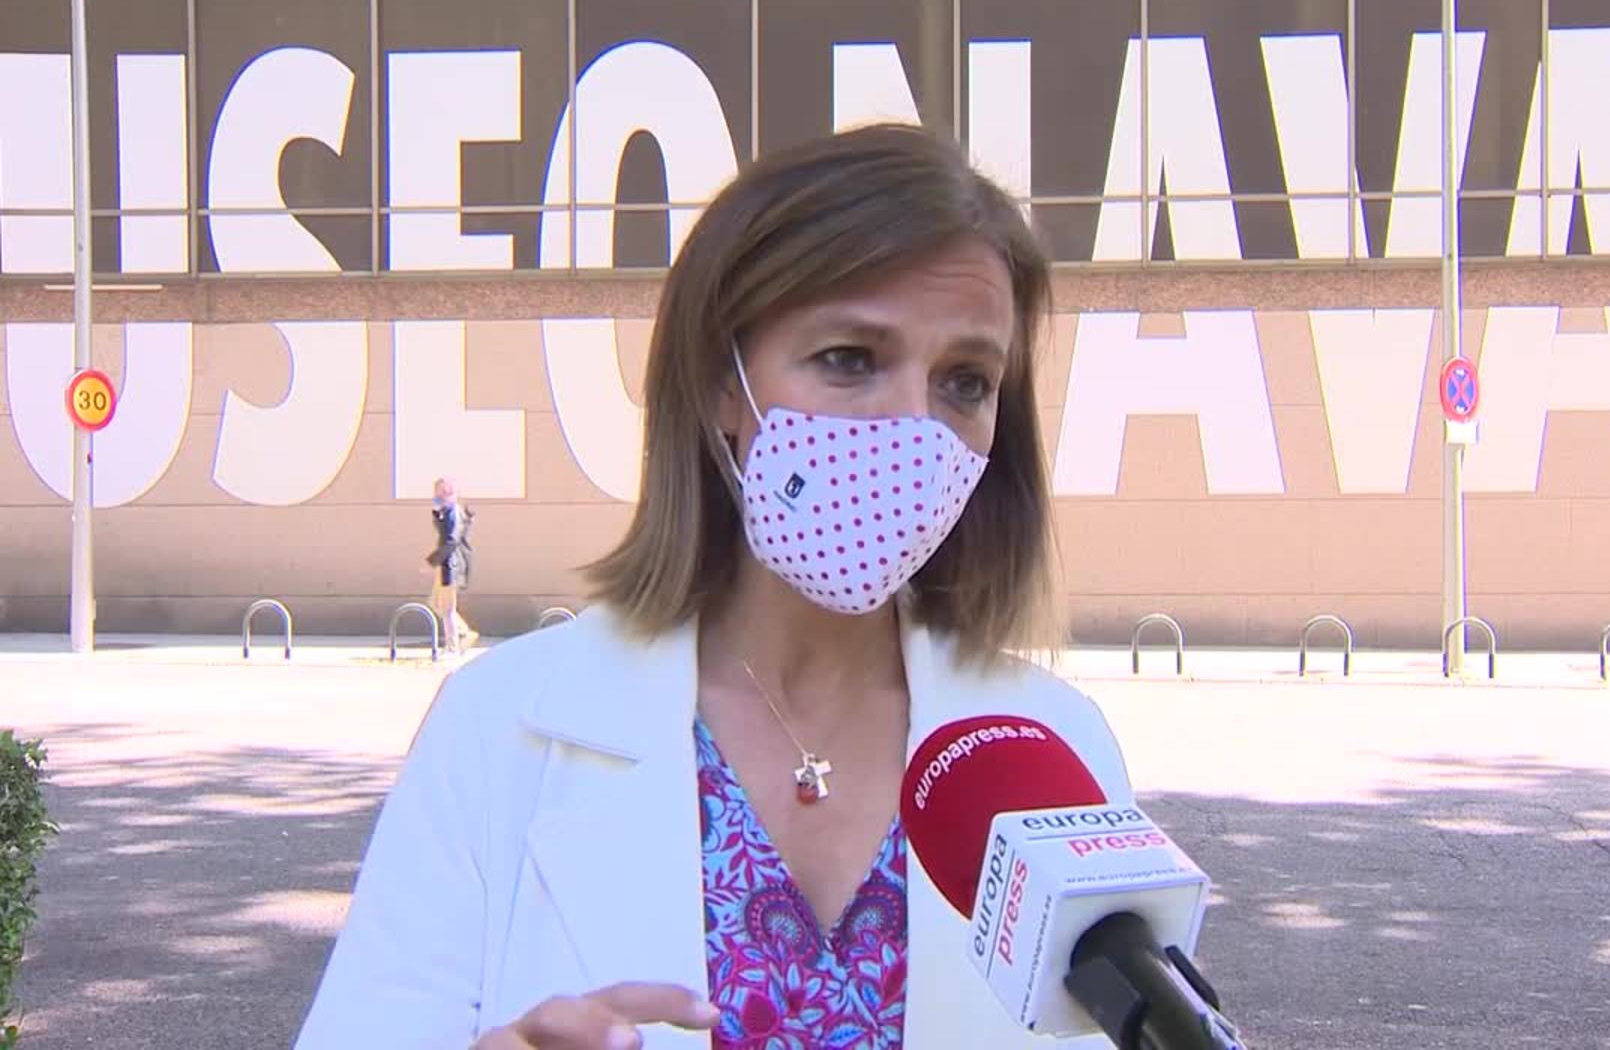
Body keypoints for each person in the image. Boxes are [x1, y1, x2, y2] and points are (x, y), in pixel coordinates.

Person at [294, 124, 1134, 1050]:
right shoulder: (497, 730)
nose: (912, 427)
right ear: (719, 384)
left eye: (965, 382)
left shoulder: (1050, 749)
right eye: (850, 358)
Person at [426, 477, 480, 652]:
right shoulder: (445, 512)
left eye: (444, 492)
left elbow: (451, 541)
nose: (440, 496)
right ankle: (463, 633)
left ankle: (453, 645)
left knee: (447, 608)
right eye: (438, 492)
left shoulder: (453, 513)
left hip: (451, 565)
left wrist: (431, 561)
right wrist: (437, 513)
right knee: (435, 602)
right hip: (445, 564)